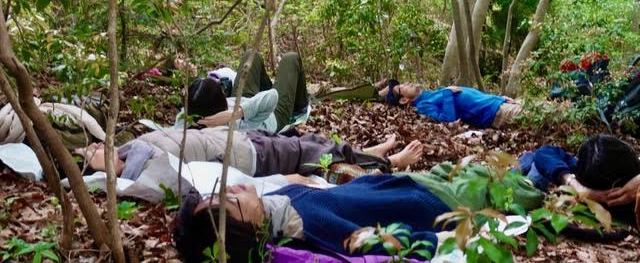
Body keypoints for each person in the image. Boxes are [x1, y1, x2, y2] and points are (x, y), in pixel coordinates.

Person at [173, 159, 543, 262]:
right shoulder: (307, 227)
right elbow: (390, 244)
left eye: (220, 192)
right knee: (507, 183)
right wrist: (459, 234)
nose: (232, 190)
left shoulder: (275, 205)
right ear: (250, 231)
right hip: (434, 203)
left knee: (474, 166)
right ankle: (543, 171)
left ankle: (529, 164)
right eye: (232, 202)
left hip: (405, 185)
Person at [74, 128, 424, 182]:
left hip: (238, 140)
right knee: (314, 152)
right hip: (247, 155)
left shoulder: (128, 148)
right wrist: (110, 167)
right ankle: (389, 162)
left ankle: (367, 153)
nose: (96, 147)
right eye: (92, 153)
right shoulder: (138, 168)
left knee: (309, 140)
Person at [520, 134, 640, 225]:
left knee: (532, 162)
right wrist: (577, 186)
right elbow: (544, 152)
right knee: (533, 159)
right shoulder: (590, 170)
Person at [188, 51, 309, 132]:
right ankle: (299, 106)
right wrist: (236, 114)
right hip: (270, 114)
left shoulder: (193, 120)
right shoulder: (241, 126)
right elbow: (272, 96)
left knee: (251, 55)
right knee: (291, 58)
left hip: (242, 100)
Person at [382, 81, 522, 129]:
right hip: (495, 113)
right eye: (402, 87)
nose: (407, 83)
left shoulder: (428, 95)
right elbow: (448, 119)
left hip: (499, 103)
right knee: (534, 117)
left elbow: (474, 97)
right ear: (403, 100)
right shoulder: (423, 106)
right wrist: (447, 93)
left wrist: (498, 97)